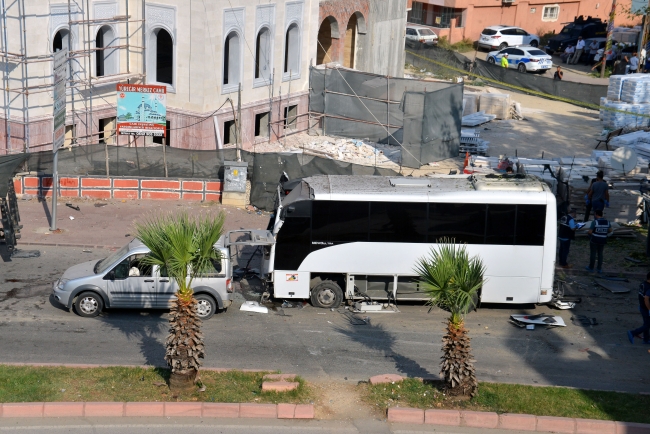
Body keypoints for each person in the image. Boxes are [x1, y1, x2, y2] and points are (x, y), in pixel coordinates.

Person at [628, 272, 650, 344]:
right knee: (647, 325)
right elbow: (646, 299)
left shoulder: (643, 284)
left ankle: (646, 339)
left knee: (646, 323)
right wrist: (649, 309)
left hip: (642, 307)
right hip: (646, 308)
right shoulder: (649, 287)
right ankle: (633, 333)